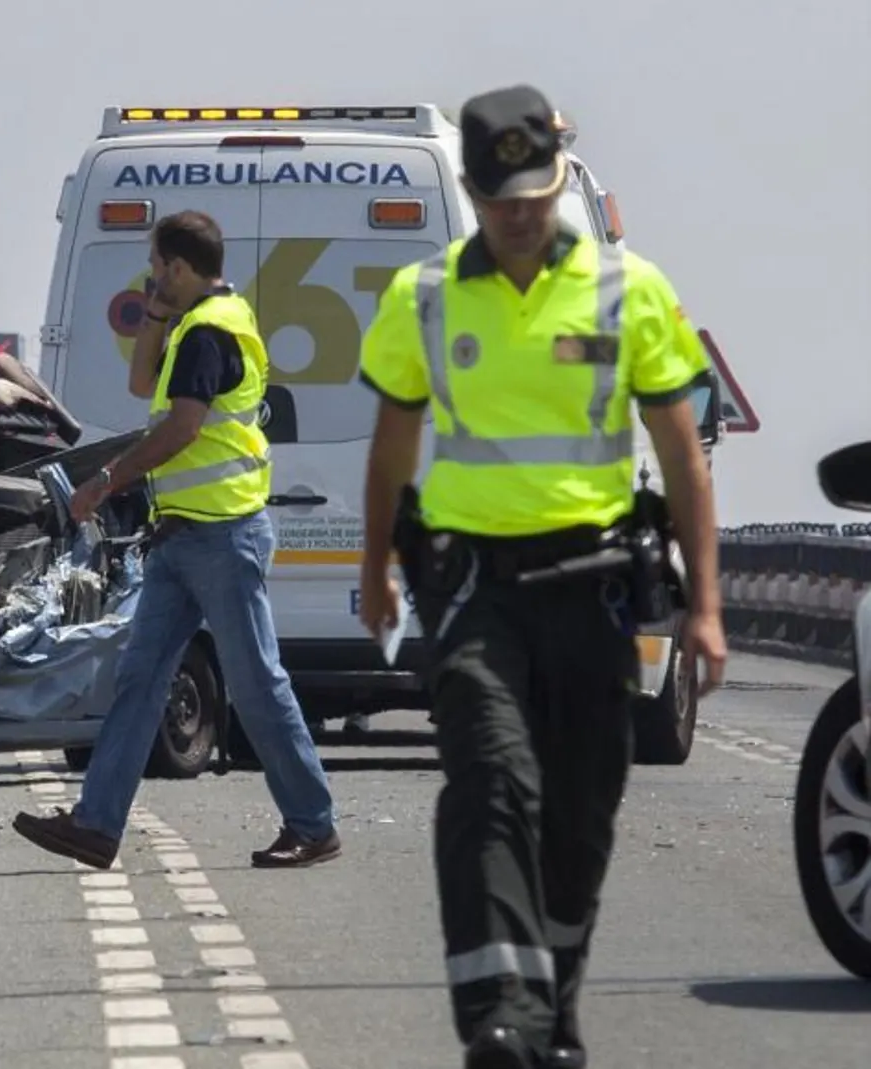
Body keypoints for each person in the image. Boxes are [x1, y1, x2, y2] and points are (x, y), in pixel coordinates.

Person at [353, 84, 727, 1069]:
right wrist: (374, 569)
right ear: (472, 192)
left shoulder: (627, 287)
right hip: (475, 588)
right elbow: (392, 444)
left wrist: (706, 606)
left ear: (560, 178)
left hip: (596, 584)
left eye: (537, 192)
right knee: (488, 779)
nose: (522, 213)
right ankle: (498, 1012)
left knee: (578, 812)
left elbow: (681, 455)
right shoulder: (423, 297)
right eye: (502, 196)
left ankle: (552, 1002)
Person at [11, 209, 340, 872]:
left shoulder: (210, 333)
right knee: (139, 679)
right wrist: (157, 313)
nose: (151, 276)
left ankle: (313, 823)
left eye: (158, 267)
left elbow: (182, 428)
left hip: (223, 536)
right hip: (182, 537)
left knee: (255, 684)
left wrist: (105, 479)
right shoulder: (193, 325)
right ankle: (96, 825)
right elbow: (142, 384)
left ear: (181, 267)